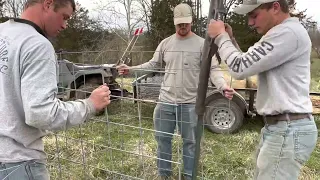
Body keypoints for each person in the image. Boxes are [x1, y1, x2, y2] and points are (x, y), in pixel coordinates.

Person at [117, 3, 235, 179]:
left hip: (189, 104)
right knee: (163, 140)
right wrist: (131, 69)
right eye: (179, 23)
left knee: (190, 143)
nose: (182, 26)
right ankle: (164, 175)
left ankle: (188, 175)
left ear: (191, 21)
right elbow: (153, 64)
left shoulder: (202, 44)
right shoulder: (166, 43)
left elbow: (213, 69)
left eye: (185, 23)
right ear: (174, 22)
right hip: (165, 102)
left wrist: (222, 86)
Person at [207, 0, 318, 179]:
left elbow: (239, 68)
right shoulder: (284, 32)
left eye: (254, 15)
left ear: (275, 7)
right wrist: (231, 40)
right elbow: (249, 63)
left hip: (287, 130)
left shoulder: (286, 33)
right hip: (283, 128)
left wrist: (221, 37)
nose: (251, 23)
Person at [0, 0, 111, 179]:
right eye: (64, 17)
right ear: (48, 3)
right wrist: (90, 104)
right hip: (19, 163)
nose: (65, 25)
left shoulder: (3, 32)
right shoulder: (36, 44)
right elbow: (41, 113)